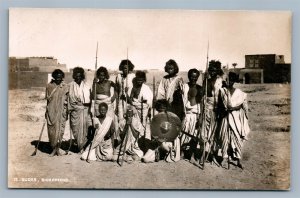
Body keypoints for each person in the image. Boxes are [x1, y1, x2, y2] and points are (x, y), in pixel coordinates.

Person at [214, 72, 250, 169]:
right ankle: (224, 158)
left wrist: (234, 109)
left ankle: (238, 159)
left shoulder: (240, 93)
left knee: (237, 138)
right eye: (228, 79)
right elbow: (219, 105)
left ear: (234, 81)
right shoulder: (222, 91)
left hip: (236, 118)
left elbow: (243, 106)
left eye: (232, 80)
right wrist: (223, 111)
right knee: (225, 137)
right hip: (225, 117)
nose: (229, 82)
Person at [200, 60, 224, 164]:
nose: (212, 72)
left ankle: (213, 154)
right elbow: (203, 96)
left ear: (218, 71)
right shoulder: (206, 81)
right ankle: (205, 153)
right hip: (207, 109)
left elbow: (223, 97)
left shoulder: (221, 82)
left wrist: (220, 109)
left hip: (217, 109)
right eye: (211, 70)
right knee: (205, 131)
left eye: (215, 70)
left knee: (215, 133)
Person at [180, 69, 203, 160]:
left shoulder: (200, 88)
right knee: (184, 133)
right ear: (188, 76)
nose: (193, 78)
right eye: (191, 76)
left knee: (194, 135)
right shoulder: (184, 87)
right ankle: (182, 152)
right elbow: (182, 101)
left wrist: (200, 118)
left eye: (195, 77)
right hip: (186, 114)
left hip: (195, 115)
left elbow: (201, 104)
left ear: (197, 77)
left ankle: (192, 154)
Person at [45, 69, 69, 156]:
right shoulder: (49, 86)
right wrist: (46, 111)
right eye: (57, 77)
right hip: (51, 111)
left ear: (62, 77)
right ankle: (53, 148)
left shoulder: (66, 87)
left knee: (60, 130)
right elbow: (48, 100)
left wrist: (67, 112)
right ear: (54, 77)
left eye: (60, 77)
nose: (58, 79)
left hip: (61, 111)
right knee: (51, 130)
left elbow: (67, 100)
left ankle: (57, 149)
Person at [68, 67, 91, 153]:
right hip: (75, 110)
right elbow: (67, 99)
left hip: (85, 109)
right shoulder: (70, 85)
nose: (78, 78)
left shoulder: (86, 85)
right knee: (76, 129)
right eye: (76, 76)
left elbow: (90, 97)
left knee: (85, 129)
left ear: (82, 76)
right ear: (74, 76)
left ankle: (83, 146)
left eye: (80, 76)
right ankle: (79, 145)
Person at [127, 71, 153, 139]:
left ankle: (142, 138)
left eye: (141, 80)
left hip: (144, 109)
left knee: (143, 124)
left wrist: (143, 102)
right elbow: (130, 99)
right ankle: (135, 139)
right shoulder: (133, 88)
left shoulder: (146, 88)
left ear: (144, 80)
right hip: (135, 108)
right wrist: (126, 94)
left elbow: (149, 101)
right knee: (135, 123)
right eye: (138, 80)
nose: (139, 81)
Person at [115, 59, 136, 125]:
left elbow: (136, 88)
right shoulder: (118, 77)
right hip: (121, 101)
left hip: (129, 100)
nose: (125, 70)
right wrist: (117, 104)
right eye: (123, 68)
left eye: (127, 68)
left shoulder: (133, 76)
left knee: (130, 120)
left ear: (129, 68)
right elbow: (117, 90)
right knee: (121, 119)